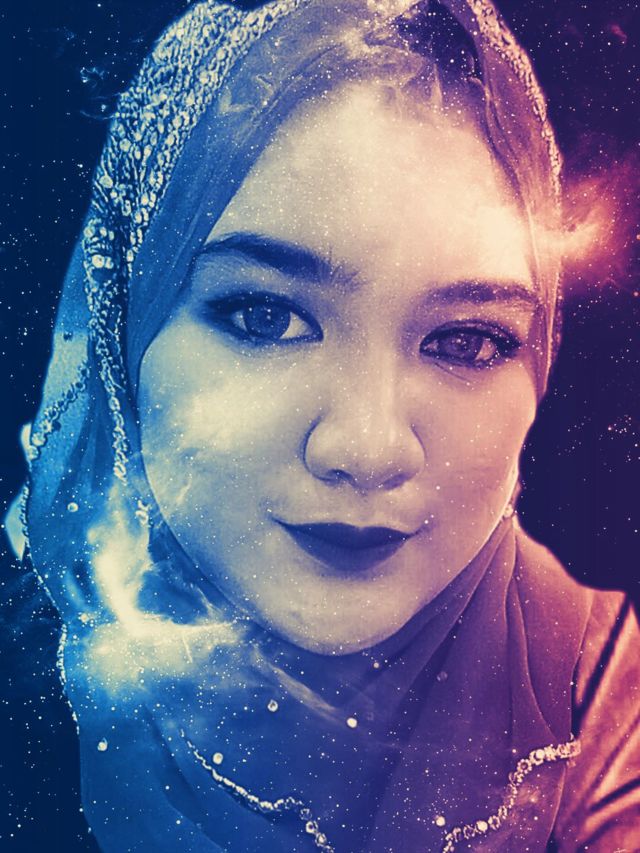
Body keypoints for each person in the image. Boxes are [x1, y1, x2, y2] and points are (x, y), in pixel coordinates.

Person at [3, 0, 639, 850]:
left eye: (468, 340)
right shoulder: (22, 688)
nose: (368, 449)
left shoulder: (594, 684)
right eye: (264, 316)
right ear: (122, 328)